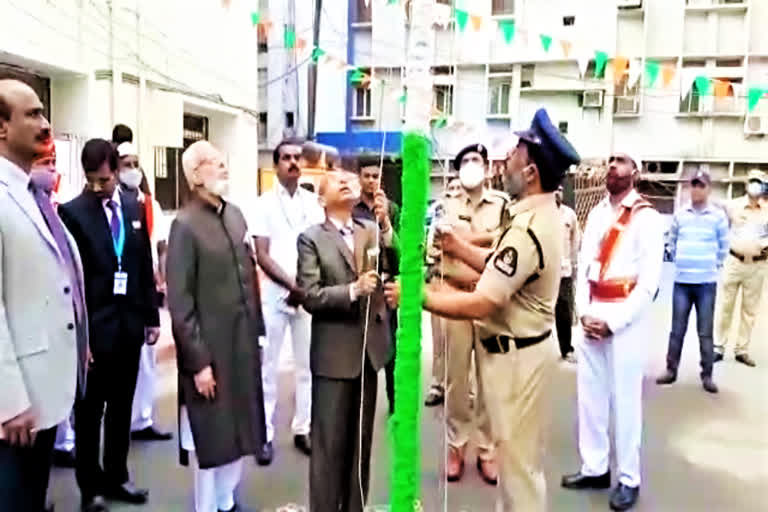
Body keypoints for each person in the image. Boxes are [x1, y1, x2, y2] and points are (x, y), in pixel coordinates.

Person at [388, 108, 581, 510]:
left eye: (514, 154)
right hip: (519, 351)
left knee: (519, 472)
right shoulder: (534, 214)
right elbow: (500, 264)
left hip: (518, 359)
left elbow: (485, 299)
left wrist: (418, 296)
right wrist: (458, 248)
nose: (504, 161)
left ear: (529, 173)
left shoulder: (529, 227)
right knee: (515, 467)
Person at [0, 79, 87, 512]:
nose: (46, 123)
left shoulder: (33, 194)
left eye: (43, 112)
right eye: (32, 114)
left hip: (47, 392)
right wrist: (9, 400)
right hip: (15, 409)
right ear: (1, 127)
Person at [59, 138, 160, 511]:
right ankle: (91, 487)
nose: (99, 187)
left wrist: (151, 316)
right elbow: (69, 278)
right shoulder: (72, 213)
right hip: (94, 331)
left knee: (121, 409)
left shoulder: (133, 206)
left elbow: (142, 264)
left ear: (117, 171)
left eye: (104, 179)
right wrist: (79, 337)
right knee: (89, 414)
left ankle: (117, 476)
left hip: (129, 326)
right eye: (92, 180)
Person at [166, 140, 266, 512]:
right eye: (213, 163)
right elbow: (180, 302)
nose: (223, 168)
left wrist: (258, 332)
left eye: (224, 162)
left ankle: (227, 501)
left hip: (241, 346)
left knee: (240, 430)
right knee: (210, 435)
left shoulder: (235, 214)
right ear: (194, 176)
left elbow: (248, 276)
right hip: (210, 351)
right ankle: (207, 506)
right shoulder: (185, 226)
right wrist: (199, 363)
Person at [561, 151, 664, 511]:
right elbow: (585, 265)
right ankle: (595, 467)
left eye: (621, 162)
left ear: (636, 171)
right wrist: (586, 314)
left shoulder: (647, 218)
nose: (613, 167)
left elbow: (649, 283)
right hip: (594, 310)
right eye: (611, 161)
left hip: (626, 319)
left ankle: (628, 478)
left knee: (625, 400)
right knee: (590, 398)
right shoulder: (598, 213)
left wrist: (614, 321)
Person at [297, 164, 395, 512]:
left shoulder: (369, 230)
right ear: (322, 198)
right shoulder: (312, 238)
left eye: (349, 180)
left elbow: (395, 261)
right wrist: (353, 290)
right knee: (328, 447)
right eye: (337, 181)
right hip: (333, 356)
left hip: (368, 353)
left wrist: (386, 225)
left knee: (360, 446)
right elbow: (310, 295)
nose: (347, 182)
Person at [428, 143, 509, 485]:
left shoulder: (503, 205)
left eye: (477, 160)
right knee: (456, 381)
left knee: (492, 380)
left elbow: (506, 248)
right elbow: (436, 245)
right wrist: (484, 240)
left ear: (488, 168)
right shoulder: (443, 205)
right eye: (465, 161)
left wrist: (464, 241)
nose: (471, 165)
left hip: (489, 302)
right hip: (456, 299)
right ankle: (456, 447)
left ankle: (488, 451)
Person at [250, 138, 324, 463]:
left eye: (297, 157)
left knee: (307, 366)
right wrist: (291, 284)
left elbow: (322, 248)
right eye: (286, 158)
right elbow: (260, 254)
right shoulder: (263, 204)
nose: (293, 162)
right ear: (276, 164)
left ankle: (303, 428)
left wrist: (305, 288)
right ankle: (263, 434)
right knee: (268, 367)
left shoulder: (313, 203)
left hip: (307, 295)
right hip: (274, 294)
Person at [112, 142, 173, 441]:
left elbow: (160, 244)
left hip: (144, 286)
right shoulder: (110, 201)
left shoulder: (150, 204)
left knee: (147, 359)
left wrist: (162, 275)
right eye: (126, 163)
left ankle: (142, 419)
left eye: (136, 163)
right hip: (118, 287)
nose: (132, 169)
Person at [656, 169, 728, 393]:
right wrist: (680, 259)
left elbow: (723, 248)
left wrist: (710, 266)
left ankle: (707, 375)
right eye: (693, 185)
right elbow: (672, 241)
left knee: (705, 331)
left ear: (708, 189)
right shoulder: (680, 215)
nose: (696, 189)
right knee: (677, 329)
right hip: (682, 283)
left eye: (701, 185)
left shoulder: (718, 217)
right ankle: (670, 370)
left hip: (706, 283)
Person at [352, 155, 400, 415]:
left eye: (375, 176)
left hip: (388, 286)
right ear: (359, 178)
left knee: (392, 348)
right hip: (362, 285)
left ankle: (395, 404)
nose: (371, 181)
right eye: (367, 176)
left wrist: (385, 223)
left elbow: (400, 254)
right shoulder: (352, 208)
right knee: (362, 348)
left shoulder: (390, 208)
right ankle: (360, 403)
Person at [714, 169, 768, 367]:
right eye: (752, 181)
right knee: (725, 306)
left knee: (749, 310)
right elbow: (719, 226)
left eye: (759, 182)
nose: (755, 185)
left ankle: (742, 350)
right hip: (734, 262)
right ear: (746, 184)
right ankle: (718, 347)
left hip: (758, 264)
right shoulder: (733, 206)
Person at [424, 178, 463, 408]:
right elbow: (430, 251)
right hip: (440, 282)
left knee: (461, 342)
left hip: (464, 288)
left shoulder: (471, 221)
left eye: (459, 188)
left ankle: (461, 387)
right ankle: (437, 384)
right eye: (451, 189)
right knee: (439, 339)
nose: (455, 193)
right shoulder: (438, 221)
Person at [555, 184, 581, 363]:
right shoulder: (542, 214)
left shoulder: (569, 214)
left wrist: (573, 264)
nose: (558, 193)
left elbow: (575, 240)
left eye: (561, 190)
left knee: (564, 311)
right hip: (542, 272)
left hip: (563, 271)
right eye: (555, 190)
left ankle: (566, 348)